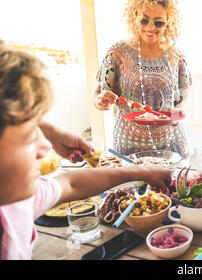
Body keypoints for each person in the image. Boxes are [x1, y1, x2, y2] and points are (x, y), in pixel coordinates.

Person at [0, 44, 172, 259]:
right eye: (28, 137)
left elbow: (72, 184)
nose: (45, 147)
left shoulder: (17, 201)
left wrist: (143, 173)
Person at [93, 0, 192, 157]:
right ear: (134, 17)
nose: (150, 27)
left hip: (172, 145)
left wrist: (179, 111)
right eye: (144, 20)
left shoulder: (177, 56)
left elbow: (183, 99)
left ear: (168, 22)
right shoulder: (118, 53)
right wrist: (100, 101)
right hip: (128, 146)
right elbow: (99, 94)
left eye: (159, 22)